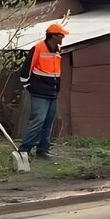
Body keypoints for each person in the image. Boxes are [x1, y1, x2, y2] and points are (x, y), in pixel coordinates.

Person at [17, 23, 68, 161]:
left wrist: (57, 88)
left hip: (52, 92)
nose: (63, 37)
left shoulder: (57, 48)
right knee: (38, 120)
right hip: (39, 92)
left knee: (49, 122)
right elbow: (25, 71)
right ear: (53, 36)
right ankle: (24, 150)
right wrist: (29, 86)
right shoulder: (38, 48)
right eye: (61, 35)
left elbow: (55, 71)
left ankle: (42, 150)